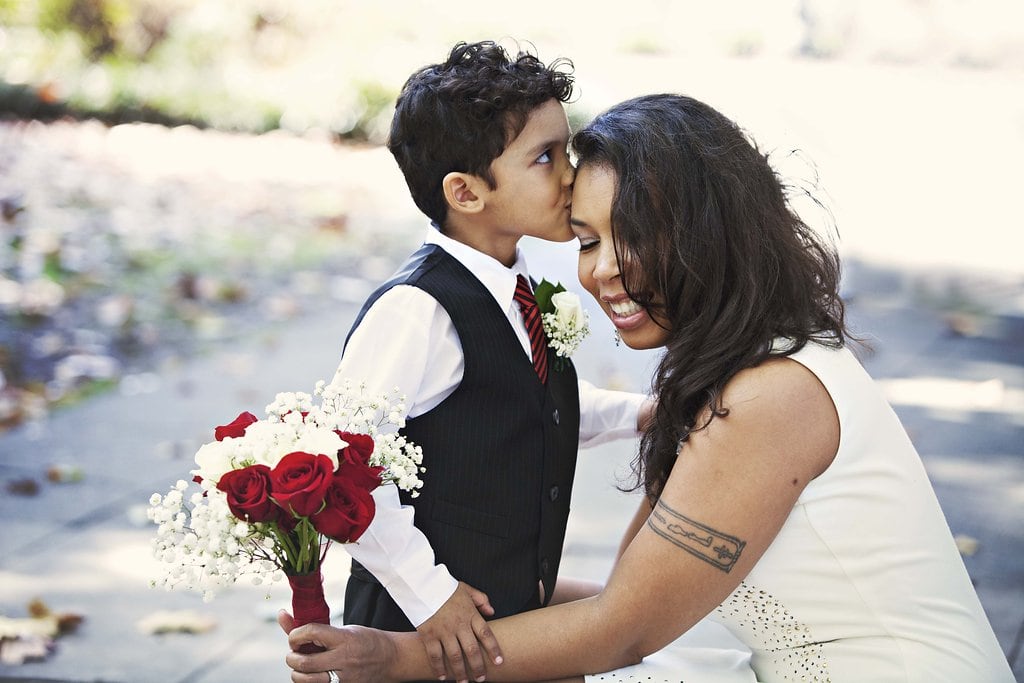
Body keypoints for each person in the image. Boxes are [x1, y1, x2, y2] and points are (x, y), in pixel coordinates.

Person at [279, 93, 1015, 682]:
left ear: (707, 230)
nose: (599, 270)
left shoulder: (771, 396)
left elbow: (622, 627)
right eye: (589, 238)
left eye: (632, 233)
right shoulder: (732, 371)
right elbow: (630, 595)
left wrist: (403, 658)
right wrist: (433, 607)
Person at [320, 41, 650, 683]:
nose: (570, 174)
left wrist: (643, 414)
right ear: (466, 193)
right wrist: (430, 593)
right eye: (545, 158)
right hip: (421, 634)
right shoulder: (416, 311)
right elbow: (347, 470)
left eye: (568, 150)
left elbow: (527, 416)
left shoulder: (520, 289)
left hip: (507, 630)